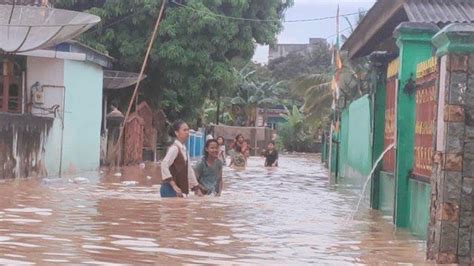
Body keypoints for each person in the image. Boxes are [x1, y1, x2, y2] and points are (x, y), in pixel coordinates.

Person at [160, 120, 202, 198]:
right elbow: (164, 164)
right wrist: (173, 185)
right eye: (184, 130)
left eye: (188, 130)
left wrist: (196, 188)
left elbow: (189, 171)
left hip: (178, 190)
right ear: (176, 133)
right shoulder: (174, 148)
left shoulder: (184, 149)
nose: (187, 132)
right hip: (170, 189)